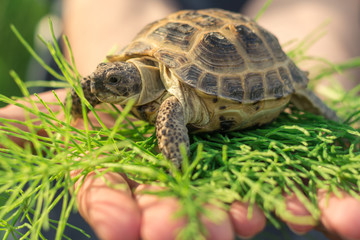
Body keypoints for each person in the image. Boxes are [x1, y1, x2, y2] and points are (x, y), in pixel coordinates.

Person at [2, 0, 360, 239]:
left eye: (114, 82)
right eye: (109, 77)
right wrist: (79, 109)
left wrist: (176, 167)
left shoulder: (174, 100)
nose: (99, 86)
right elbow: (93, 82)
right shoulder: (126, 74)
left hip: (237, 50)